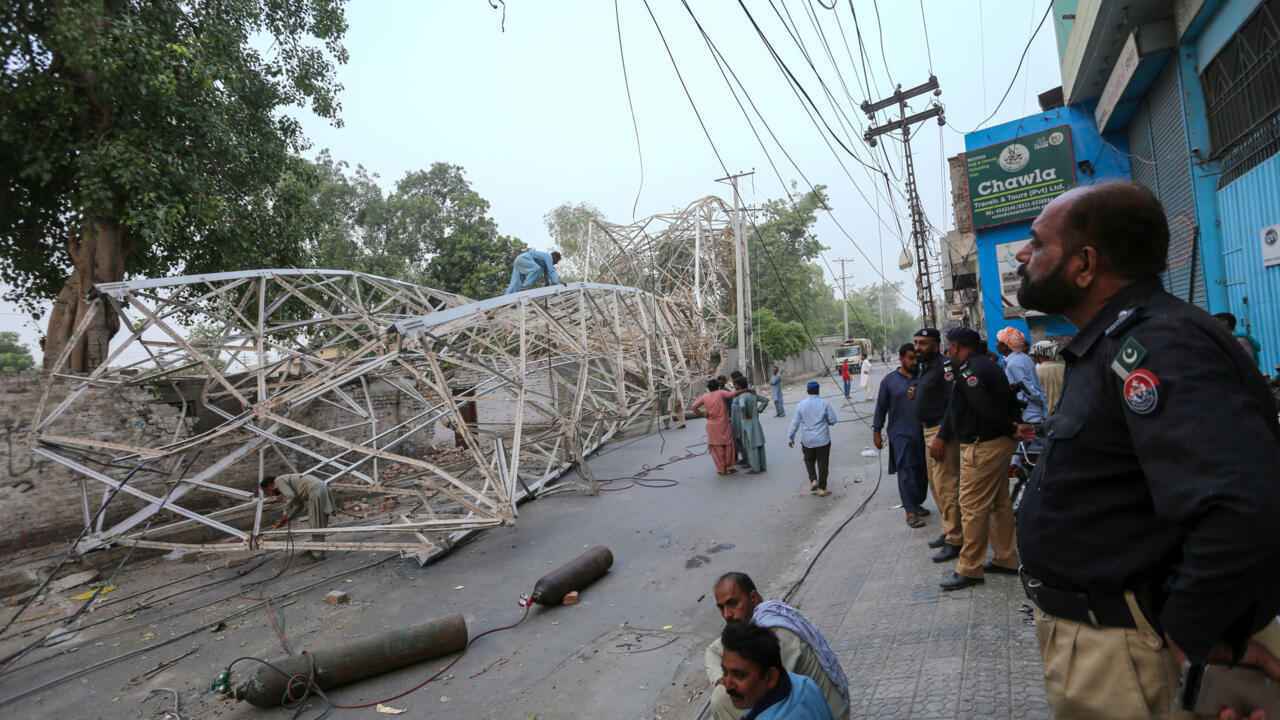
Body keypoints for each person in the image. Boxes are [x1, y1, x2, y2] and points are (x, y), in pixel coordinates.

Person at [1012, 181, 1280, 720]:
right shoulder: (1108, 344)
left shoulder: (1156, 344)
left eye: (1037, 244)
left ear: (1084, 265)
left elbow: (1241, 504)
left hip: (1140, 657)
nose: (1022, 255)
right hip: (1114, 647)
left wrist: (1191, 631)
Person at [933, 326, 1021, 591]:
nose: (948, 352)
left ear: (959, 347)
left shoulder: (971, 369)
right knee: (999, 503)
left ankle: (970, 567)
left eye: (950, 347)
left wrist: (1011, 428)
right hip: (996, 442)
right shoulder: (983, 365)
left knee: (971, 506)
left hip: (984, 446)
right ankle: (1006, 558)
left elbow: (984, 407)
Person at [705, 573, 847, 720]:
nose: (727, 614)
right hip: (807, 701)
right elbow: (712, 650)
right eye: (721, 608)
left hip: (828, 712)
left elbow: (765, 695)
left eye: (733, 603)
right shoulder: (764, 616)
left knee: (720, 699)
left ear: (753, 598)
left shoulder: (775, 634)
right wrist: (720, 678)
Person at [914, 328, 963, 562]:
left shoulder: (945, 367)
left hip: (941, 433)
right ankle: (948, 530)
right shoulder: (925, 366)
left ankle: (956, 539)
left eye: (923, 343)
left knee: (947, 486)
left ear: (935, 344)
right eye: (916, 343)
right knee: (936, 486)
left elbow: (953, 403)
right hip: (927, 431)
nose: (917, 347)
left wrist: (942, 436)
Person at [717, 623, 834, 720]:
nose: (728, 684)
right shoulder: (805, 684)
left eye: (739, 675)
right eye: (725, 672)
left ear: (770, 677)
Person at [873, 344, 929, 528]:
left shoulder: (923, 378)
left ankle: (917, 502)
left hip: (923, 433)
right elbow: (881, 408)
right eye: (910, 358)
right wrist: (877, 431)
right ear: (901, 358)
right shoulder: (889, 381)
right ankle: (910, 511)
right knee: (906, 471)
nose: (914, 362)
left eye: (916, 359)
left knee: (922, 472)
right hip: (900, 434)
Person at [261, 474, 334, 561]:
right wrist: (287, 518)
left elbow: (291, 496)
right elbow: (299, 505)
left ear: (269, 485)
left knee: (316, 524)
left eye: (267, 492)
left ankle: (317, 554)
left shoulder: (279, 481)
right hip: (320, 488)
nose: (270, 495)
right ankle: (318, 549)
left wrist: (285, 513)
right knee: (319, 523)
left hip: (315, 491)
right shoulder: (287, 481)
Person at [787, 381, 838, 496]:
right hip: (822, 440)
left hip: (807, 440)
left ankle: (813, 480)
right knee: (823, 464)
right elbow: (833, 420)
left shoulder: (801, 405)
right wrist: (827, 421)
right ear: (818, 390)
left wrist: (791, 437)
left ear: (807, 391)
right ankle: (822, 488)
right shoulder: (825, 403)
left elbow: (794, 423)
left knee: (809, 460)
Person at [997, 326, 1047, 425]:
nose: (996, 345)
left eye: (998, 343)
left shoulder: (1013, 364)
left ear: (1006, 346)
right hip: (1033, 411)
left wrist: (1039, 401)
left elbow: (1027, 388)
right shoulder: (1023, 358)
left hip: (1029, 415)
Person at [692, 380, 742, 475]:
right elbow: (732, 394)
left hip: (712, 425)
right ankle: (730, 466)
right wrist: (745, 390)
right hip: (724, 424)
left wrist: (702, 414)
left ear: (708, 388)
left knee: (716, 447)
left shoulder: (704, 396)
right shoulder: (721, 393)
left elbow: (693, 407)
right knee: (728, 445)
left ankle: (721, 469)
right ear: (718, 387)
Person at [732, 376, 770, 474]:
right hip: (756, 421)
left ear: (739, 386)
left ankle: (755, 468)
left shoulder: (742, 396)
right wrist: (759, 410)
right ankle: (762, 466)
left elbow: (742, 406)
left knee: (750, 446)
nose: (734, 386)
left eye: (735, 385)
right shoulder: (752, 394)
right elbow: (765, 400)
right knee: (759, 444)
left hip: (747, 423)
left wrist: (745, 415)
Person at [1030, 340, 1064, 416]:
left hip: (1046, 414)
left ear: (1040, 355)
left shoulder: (1036, 370)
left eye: (1035, 355)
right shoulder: (1064, 368)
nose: (1034, 358)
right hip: (1064, 411)